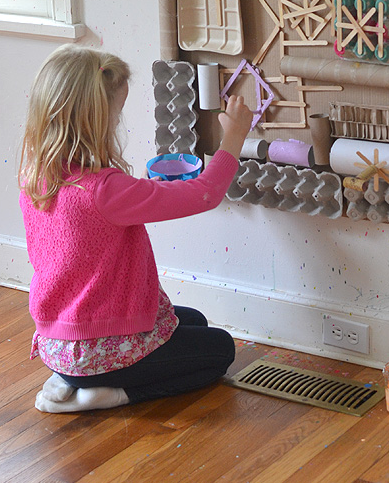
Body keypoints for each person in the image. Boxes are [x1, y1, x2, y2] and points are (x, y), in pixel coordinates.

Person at [18, 44, 252, 414]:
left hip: (58, 341)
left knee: (191, 321)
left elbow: (91, 230)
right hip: (97, 352)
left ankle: (68, 377)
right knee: (220, 348)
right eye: (115, 115)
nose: (117, 124)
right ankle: (110, 394)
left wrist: (144, 190)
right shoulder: (106, 189)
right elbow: (206, 194)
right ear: (93, 121)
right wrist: (235, 136)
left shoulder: (37, 176)